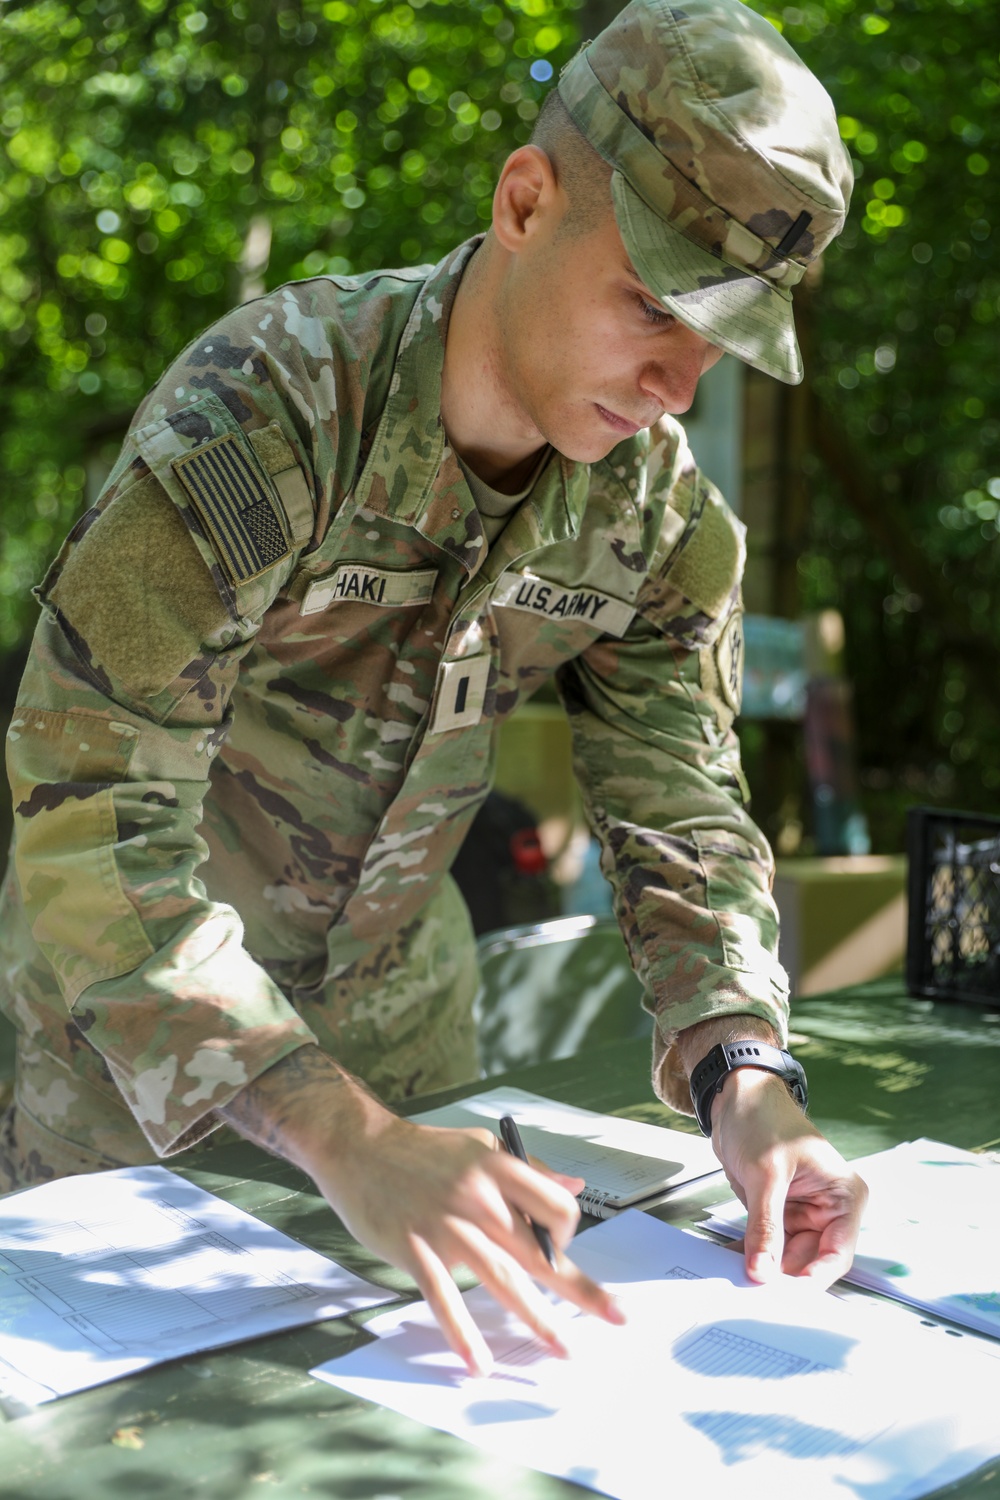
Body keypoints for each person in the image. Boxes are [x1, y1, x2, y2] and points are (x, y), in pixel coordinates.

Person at [1, 0, 867, 1374]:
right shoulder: (269, 417)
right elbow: (88, 814)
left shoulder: (659, 523)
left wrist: (741, 1070)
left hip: (422, 1085)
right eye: (652, 302)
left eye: (725, 336)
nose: (675, 381)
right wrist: (343, 1136)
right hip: (126, 1101)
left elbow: (681, 807)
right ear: (527, 201)